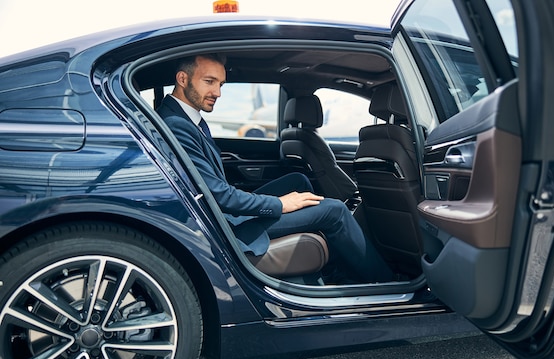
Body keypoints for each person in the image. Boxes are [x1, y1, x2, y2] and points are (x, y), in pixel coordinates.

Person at [157, 54, 394, 283]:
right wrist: (281, 204)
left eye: (221, 84)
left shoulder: (183, 117)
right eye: (209, 82)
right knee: (335, 212)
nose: (217, 93)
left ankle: (335, 268)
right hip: (225, 225)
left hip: (223, 212)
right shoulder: (177, 125)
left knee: (297, 180)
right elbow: (218, 195)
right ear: (183, 79)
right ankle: (384, 281)